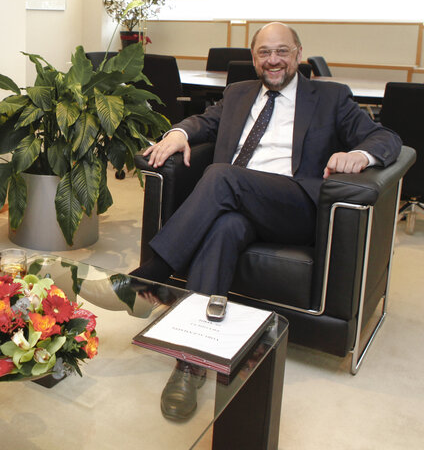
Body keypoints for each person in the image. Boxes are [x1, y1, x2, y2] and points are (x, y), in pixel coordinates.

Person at [131, 22, 401, 420]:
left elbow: (387, 138)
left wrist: (361, 156)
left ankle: (154, 270)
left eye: (282, 51)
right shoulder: (238, 93)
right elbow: (203, 122)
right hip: (236, 205)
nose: (273, 60)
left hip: (293, 206)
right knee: (224, 227)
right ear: (253, 56)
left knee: (221, 175)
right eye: (264, 53)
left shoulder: (330, 97)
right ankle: (190, 362)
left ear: (297, 53)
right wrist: (177, 133)